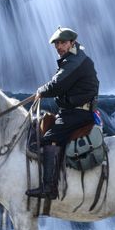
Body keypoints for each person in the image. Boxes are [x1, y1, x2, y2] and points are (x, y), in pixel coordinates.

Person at [26, 26, 99, 200]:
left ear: (72, 42)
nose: (59, 47)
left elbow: (57, 85)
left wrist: (41, 91)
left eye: (62, 43)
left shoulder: (74, 61)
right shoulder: (75, 58)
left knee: (49, 138)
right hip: (75, 110)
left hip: (77, 113)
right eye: (56, 44)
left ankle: (49, 188)